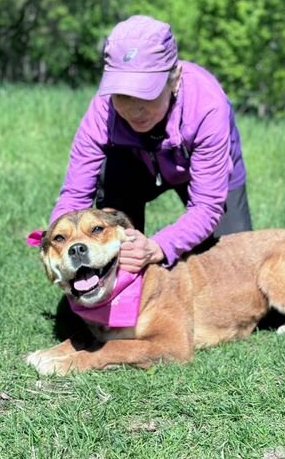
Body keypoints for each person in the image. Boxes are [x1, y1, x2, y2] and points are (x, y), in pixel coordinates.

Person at [50, 15, 252, 273]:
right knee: (116, 256)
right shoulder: (103, 110)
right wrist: (58, 241)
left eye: (147, 92)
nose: (135, 109)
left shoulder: (208, 106)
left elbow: (207, 205)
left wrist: (159, 247)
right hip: (133, 170)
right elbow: (75, 195)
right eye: (123, 94)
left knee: (237, 265)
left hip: (202, 175)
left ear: (175, 79)